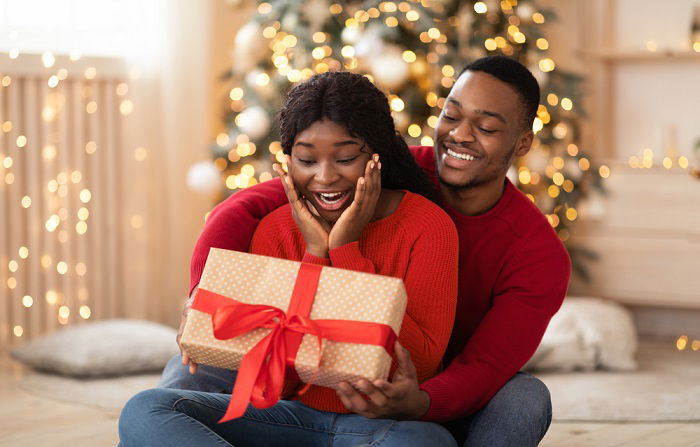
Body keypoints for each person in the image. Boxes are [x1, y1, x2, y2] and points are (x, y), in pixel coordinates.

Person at [156, 56, 570, 446]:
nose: (460, 134)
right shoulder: (379, 169)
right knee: (183, 376)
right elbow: (244, 207)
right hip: (315, 383)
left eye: (487, 127)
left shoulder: (537, 255)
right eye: (452, 115)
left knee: (524, 398)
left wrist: (418, 404)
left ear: (522, 144)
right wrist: (201, 297)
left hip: (431, 393)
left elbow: (483, 367)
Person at [119, 71, 460, 446]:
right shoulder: (275, 230)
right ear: (289, 160)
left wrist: (345, 249)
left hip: (381, 427)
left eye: (345, 158)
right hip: (290, 418)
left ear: (377, 155)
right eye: (307, 160)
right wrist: (316, 254)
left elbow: (421, 363)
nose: (325, 177)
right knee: (147, 409)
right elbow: (276, 376)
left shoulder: (428, 226)